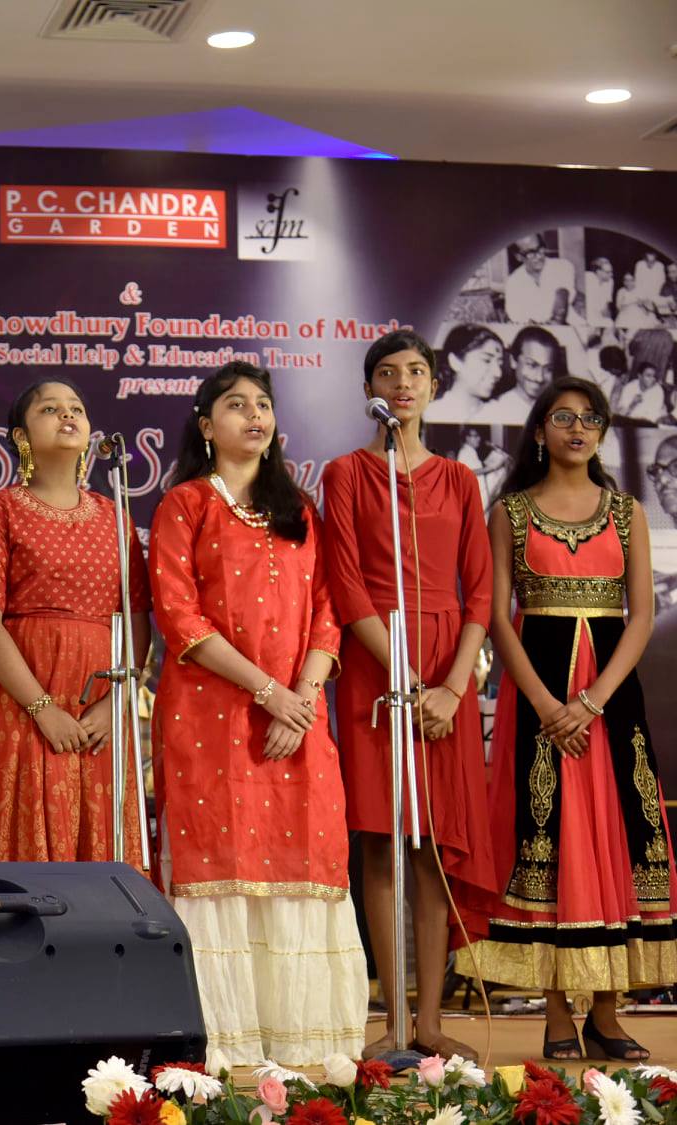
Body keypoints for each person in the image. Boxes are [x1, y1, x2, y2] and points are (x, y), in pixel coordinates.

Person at [149, 362, 365, 1069]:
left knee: (304, 859)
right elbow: (181, 619)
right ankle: (227, 1057)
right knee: (222, 865)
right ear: (207, 426)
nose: (254, 415)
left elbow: (329, 614)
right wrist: (271, 695)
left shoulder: (300, 509)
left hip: (299, 723)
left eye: (263, 404)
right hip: (210, 720)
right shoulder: (185, 504)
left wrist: (300, 699)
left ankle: (305, 1054)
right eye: (236, 405)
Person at [465, 377, 677, 1060]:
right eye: (563, 417)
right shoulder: (513, 511)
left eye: (590, 418)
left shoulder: (626, 512)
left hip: (611, 699)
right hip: (540, 698)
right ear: (538, 430)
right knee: (548, 836)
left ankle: (608, 1014)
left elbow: (640, 615)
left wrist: (591, 701)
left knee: (617, 838)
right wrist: (548, 705)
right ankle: (557, 1013)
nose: (578, 429)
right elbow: (499, 618)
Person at [320, 332, 497, 1060]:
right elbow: (346, 581)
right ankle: (390, 1020)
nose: (402, 382)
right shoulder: (346, 472)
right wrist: (406, 679)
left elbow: (481, 589)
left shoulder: (459, 479)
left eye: (416, 371)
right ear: (370, 387)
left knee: (434, 849)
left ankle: (428, 1021)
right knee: (384, 841)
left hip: (447, 666)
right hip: (377, 663)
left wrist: (453, 686)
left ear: (433, 385)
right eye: (387, 372)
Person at [0, 379, 151, 868]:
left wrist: (118, 702)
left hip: (100, 702)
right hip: (19, 697)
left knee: (101, 841)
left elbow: (137, 621)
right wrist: (42, 708)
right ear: (21, 437)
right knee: (26, 839)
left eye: (77, 408)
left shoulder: (117, 517)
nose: (68, 415)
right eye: (50, 409)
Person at [477, 326, 568, 424]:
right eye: (532, 365)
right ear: (513, 361)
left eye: (548, 369)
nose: (540, 377)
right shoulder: (492, 412)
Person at [429, 324, 509, 421]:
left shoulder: (502, 415)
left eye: (500, 364)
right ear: (455, 362)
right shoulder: (429, 416)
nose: (498, 373)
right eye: (486, 360)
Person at [503, 236, 575, 326]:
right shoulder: (513, 282)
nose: (539, 256)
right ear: (519, 257)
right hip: (535, 332)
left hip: (569, 328)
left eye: (540, 248)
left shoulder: (562, 267)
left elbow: (560, 312)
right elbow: (517, 320)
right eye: (530, 253)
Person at [458, 427, 513, 514]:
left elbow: (476, 468)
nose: (479, 438)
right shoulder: (464, 452)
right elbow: (469, 472)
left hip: (480, 490)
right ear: (467, 438)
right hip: (475, 492)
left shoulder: (471, 451)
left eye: (478, 436)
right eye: (475, 436)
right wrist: (492, 467)